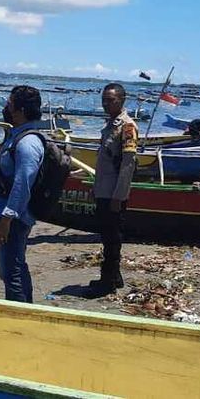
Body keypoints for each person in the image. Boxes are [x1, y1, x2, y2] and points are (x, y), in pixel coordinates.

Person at [0, 86, 45, 303]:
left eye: (10, 104)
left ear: (20, 109)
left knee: (12, 272)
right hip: (10, 217)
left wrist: (6, 220)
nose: (6, 108)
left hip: (15, 219)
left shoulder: (28, 143)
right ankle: (26, 310)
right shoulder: (18, 136)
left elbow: (22, 185)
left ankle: (19, 317)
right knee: (14, 267)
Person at [88, 83, 138, 298]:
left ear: (122, 100)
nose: (106, 103)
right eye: (104, 99)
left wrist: (119, 196)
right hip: (104, 189)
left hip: (113, 193)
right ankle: (114, 277)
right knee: (107, 235)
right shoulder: (110, 125)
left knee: (111, 238)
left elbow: (128, 165)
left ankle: (107, 281)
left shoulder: (126, 127)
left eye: (111, 100)